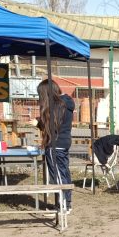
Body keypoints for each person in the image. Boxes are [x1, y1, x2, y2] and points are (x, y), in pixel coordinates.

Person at [36, 79, 75, 213]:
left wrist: (39, 122)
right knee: (63, 173)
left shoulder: (57, 105)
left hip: (55, 144)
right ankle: (66, 204)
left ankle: (62, 205)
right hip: (63, 143)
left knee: (58, 176)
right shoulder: (66, 102)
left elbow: (52, 125)